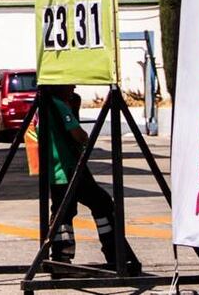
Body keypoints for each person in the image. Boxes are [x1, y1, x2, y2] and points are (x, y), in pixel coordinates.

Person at [42, 84, 140, 274]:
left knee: (63, 212)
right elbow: (78, 135)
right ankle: (115, 252)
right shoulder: (59, 106)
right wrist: (82, 130)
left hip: (55, 170)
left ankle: (61, 256)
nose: (74, 86)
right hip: (70, 167)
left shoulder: (44, 105)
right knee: (102, 203)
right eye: (70, 84)